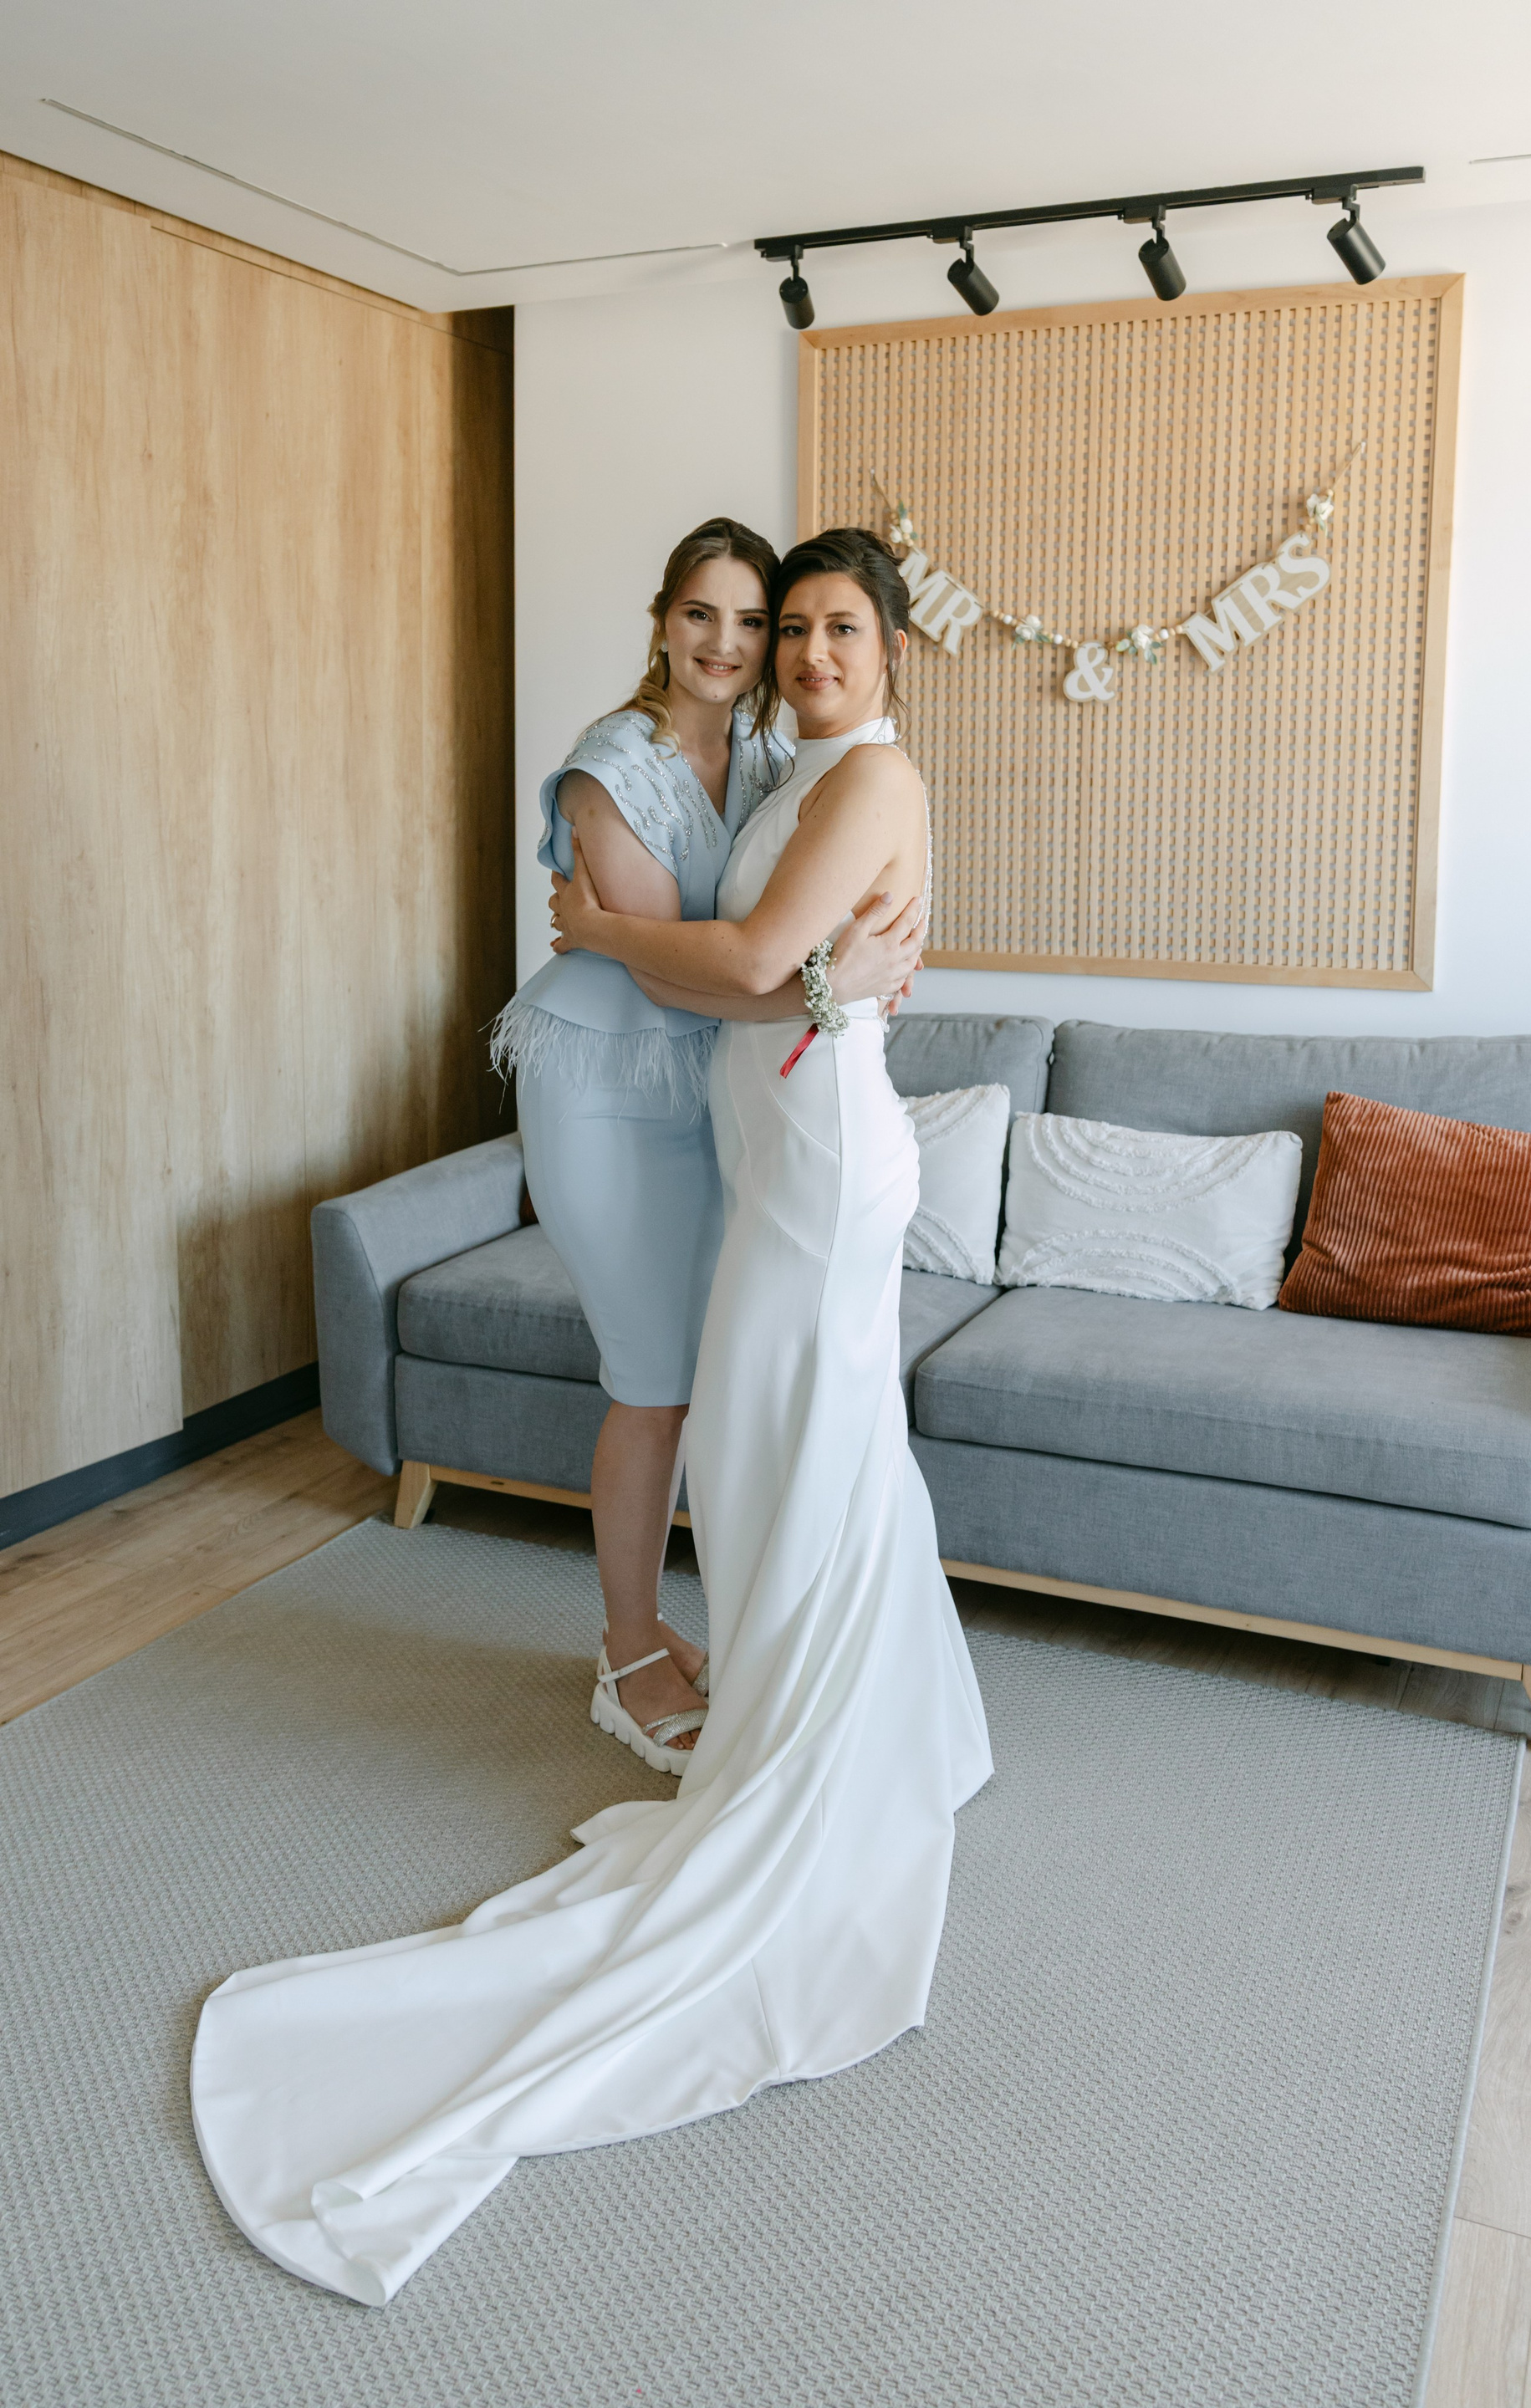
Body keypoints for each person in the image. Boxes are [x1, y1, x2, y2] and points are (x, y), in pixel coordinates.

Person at [187, 528, 990, 2307]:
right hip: (742, 1140)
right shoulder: (760, 765)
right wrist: (774, 967)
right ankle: (753, 1690)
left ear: (893, 649)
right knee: (769, 1450)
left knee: (790, 1450)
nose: (796, 652)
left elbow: (758, 956)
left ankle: (812, 1741)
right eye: (779, 626)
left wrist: (671, 943)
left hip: (813, 1154)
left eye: (829, 628)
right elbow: (757, 962)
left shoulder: (861, 772)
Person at [490, 518, 922, 1769]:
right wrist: (830, 992)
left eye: (754, 620)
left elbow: (765, 954)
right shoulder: (607, 764)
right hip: (602, 1082)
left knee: (703, 1379)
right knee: (653, 1378)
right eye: (704, 614)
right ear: (661, 621)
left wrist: (834, 987)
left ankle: (719, 1644)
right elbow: (680, 969)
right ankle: (628, 1657)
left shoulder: (778, 757)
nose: (730, 644)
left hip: (710, 1092)